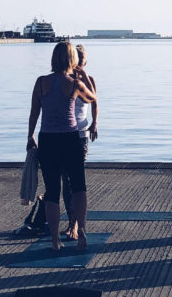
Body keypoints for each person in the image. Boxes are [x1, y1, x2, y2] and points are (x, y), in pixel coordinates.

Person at [27, 41, 96, 251]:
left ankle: (55, 239)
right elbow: (92, 98)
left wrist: (30, 136)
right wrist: (83, 78)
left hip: (47, 139)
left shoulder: (40, 82)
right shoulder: (74, 84)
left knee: (52, 190)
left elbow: (34, 113)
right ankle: (81, 230)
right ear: (72, 60)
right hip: (70, 139)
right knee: (78, 186)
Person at [61, 44, 99, 240]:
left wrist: (95, 124)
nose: (80, 67)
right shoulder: (65, 80)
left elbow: (94, 101)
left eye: (83, 63)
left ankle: (76, 225)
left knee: (75, 181)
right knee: (64, 182)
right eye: (78, 63)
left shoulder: (87, 80)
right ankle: (71, 223)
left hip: (81, 134)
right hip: (64, 133)